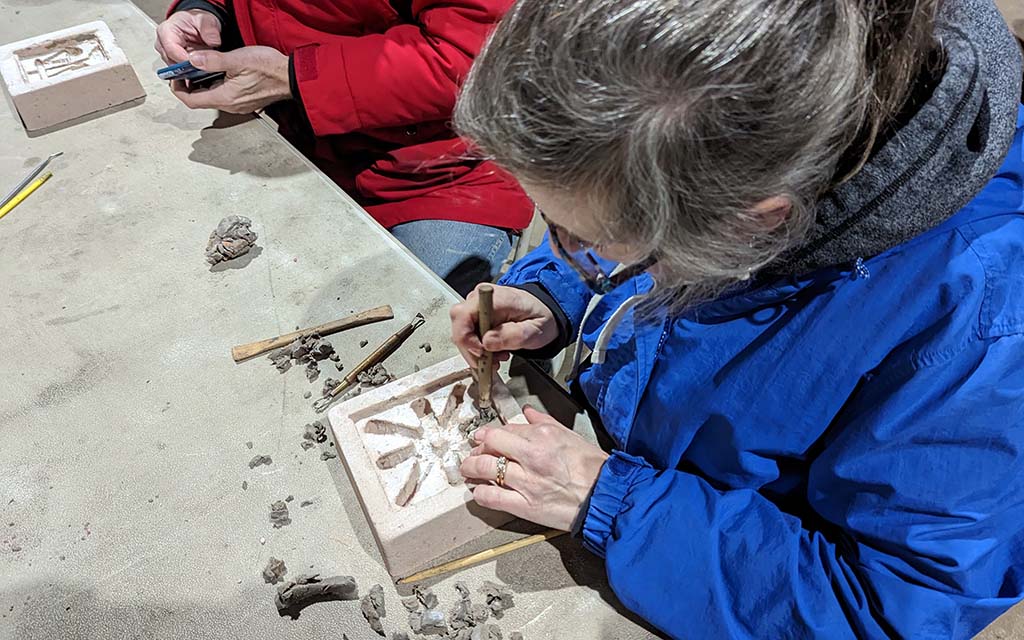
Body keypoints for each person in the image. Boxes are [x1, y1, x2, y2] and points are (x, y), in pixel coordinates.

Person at [448, 0, 1024, 637]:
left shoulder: (980, 327)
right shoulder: (733, 157)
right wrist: (562, 292)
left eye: (586, 239)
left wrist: (612, 502)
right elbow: (639, 218)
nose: (558, 247)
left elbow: (885, 610)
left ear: (754, 226)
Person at [154, 0, 533, 296]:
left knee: (424, 335)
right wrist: (205, 10)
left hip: (444, 176)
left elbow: (475, 54)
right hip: (308, 149)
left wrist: (296, 78)